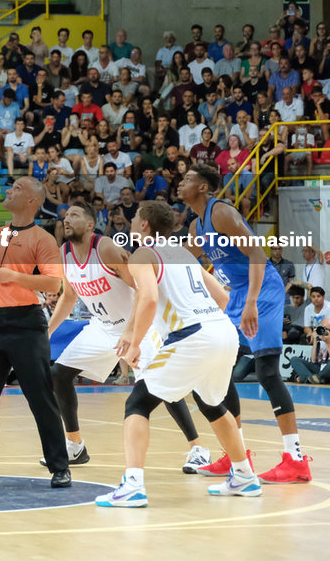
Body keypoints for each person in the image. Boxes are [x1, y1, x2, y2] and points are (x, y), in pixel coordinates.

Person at [95, 201, 261, 507]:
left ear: (144, 225)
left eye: (134, 217)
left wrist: (134, 345)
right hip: (221, 331)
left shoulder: (143, 255)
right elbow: (223, 298)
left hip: (192, 335)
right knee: (212, 405)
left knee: (138, 402)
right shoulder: (182, 253)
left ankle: (132, 486)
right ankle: (245, 476)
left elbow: (147, 299)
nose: (131, 221)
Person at [47, 202, 210, 474]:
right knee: (59, 374)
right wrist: (48, 331)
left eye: (74, 214)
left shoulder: (107, 249)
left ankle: (197, 448)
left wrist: (132, 332)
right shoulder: (64, 253)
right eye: (65, 215)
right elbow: (69, 296)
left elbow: (141, 292)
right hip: (102, 327)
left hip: (138, 326)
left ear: (90, 224)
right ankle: (75, 445)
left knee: (161, 384)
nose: (66, 219)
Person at [180, 164, 311, 483]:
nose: (181, 181)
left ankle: (295, 459)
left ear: (203, 187)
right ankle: (235, 453)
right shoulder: (196, 227)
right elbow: (184, 259)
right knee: (219, 367)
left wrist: (251, 300)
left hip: (262, 288)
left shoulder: (221, 212)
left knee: (266, 371)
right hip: (239, 293)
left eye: (187, 178)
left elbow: (256, 253)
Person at [0, 177, 70, 489]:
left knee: (40, 398)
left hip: (27, 325)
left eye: (18, 188)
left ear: (33, 201)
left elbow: (53, 285)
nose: (10, 189)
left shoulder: (43, 239)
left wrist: (15, 277)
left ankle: (59, 467)